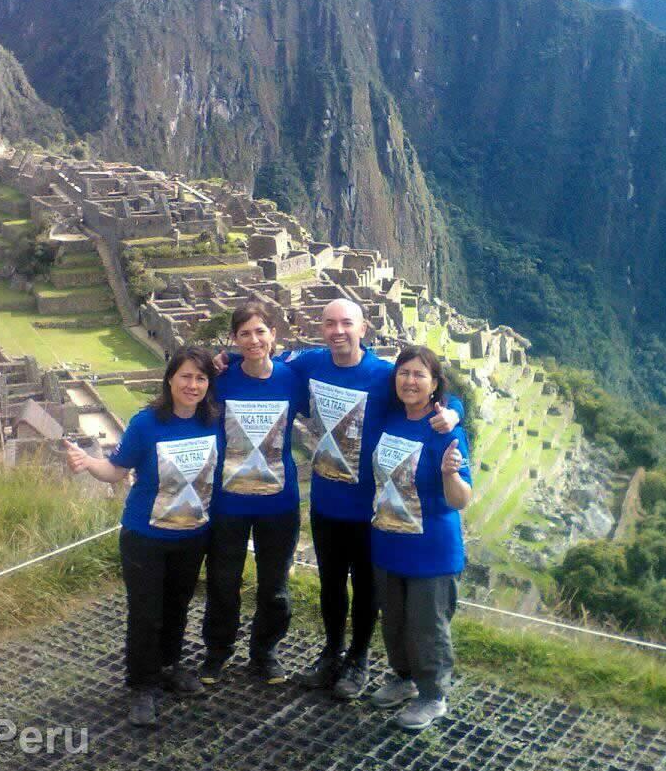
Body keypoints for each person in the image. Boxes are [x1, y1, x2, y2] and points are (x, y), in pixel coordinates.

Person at [242, 299, 463, 700]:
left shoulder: (383, 375)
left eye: (347, 323)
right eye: (330, 324)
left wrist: (456, 413)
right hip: (326, 503)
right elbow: (260, 353)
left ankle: (358, 659)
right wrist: (222, 358)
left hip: (371, 509)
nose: (338, 331)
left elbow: (433, 394)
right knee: (330, 584)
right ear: (321, 329)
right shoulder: (309, 363)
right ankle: (331, 652)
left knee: (366, 588)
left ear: (363, 329)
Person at [64, 345, 220, 728]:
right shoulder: (147, 423)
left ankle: (168, 667)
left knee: (177, 607)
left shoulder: (213, 420)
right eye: (185, 376)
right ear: (170, 379)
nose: (193, 384)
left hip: (192, 533)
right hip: (145, 536)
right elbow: (117, 470)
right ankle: (141, 685)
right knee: (146, 613)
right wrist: (88, 464)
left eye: (201, 378)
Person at [199, 301, 305, 686]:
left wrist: (453, 408)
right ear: (234, 339)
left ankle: (265, 653)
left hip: (279, 501)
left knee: (274, 585)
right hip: (229, 500)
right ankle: (217, 651)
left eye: (261, 331)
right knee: (223, 580)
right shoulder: (220, 378)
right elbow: (183, 379)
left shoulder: (292, 378)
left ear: (274, 334)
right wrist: (219, 358)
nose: (254, 339)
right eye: (244, 333)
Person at [367, 345, 472, 730]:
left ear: (433, 384)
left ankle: (433, 695)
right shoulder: (390, 418)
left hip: (432, 549)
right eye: (404, 374)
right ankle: (404, 679)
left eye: (419, 375)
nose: (410, 381)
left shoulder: (446, 428)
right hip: (389, 541)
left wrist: (450, 474)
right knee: (393, 620)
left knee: (427, 625)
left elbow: (461, 498)